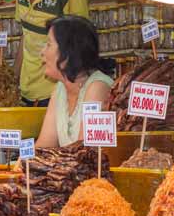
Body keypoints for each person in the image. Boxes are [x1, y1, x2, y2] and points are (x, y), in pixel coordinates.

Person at [36, 16, 115, 149]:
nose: (42, 52)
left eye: (49, 44)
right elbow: (45, 144)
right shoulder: (60, 88)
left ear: (68, 53)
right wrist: (24, 159)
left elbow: (84, 150)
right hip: (69, 162)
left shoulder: (97, 87)